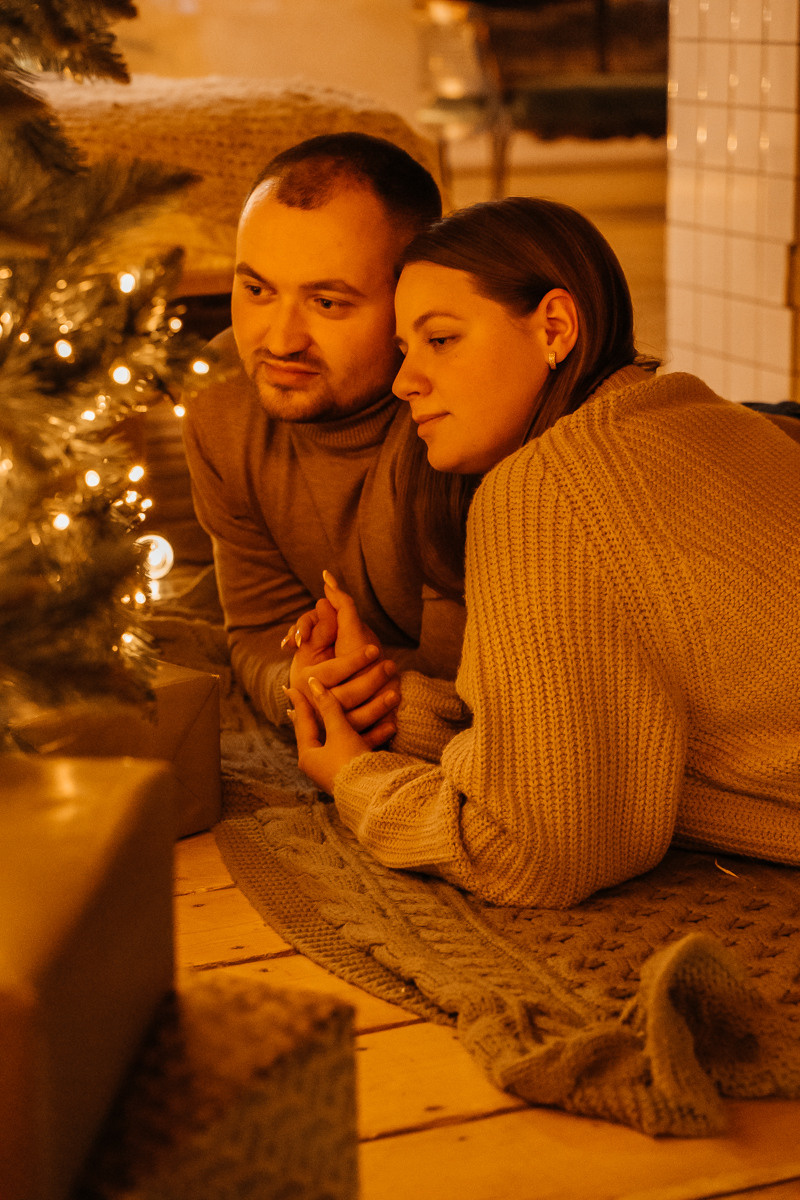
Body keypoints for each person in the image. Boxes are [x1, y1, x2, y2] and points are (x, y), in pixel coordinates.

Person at [287, 196, 800, 909]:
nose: (405, 382)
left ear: (554, 327)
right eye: (404, 352)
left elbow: (533, 853)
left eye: (441, 340)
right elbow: (609, 741)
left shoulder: (547, 488)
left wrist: (354, 779)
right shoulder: (702, 416)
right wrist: (389, 708)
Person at [182, 133, 469, 740]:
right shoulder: (221, 401)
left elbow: (468, 682)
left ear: (411, 298)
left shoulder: (462, 419)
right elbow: (258, 628)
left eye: (328, 302)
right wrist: (298, 682)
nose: (281, 340)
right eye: (256, 291)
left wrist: (355, 688)